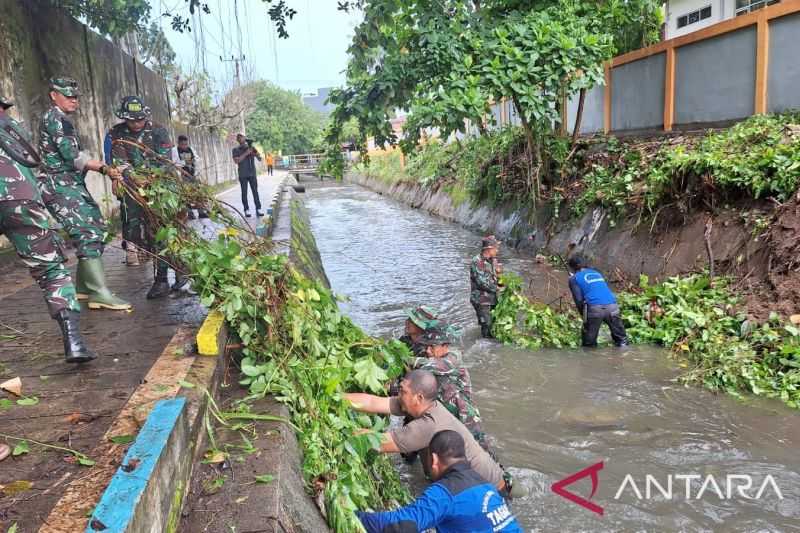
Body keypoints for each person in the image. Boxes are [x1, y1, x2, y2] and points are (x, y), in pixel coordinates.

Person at [0, 94, 95, 363]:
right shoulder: (15, 129)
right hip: (23, 200)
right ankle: (74, 343)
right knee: (51, 270)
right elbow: (36, 165)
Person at [37, 77, 131, 311]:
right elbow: (72, 155)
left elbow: (74, 153)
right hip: (58, 185)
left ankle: (84, 287)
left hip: (70, 183)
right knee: (87, 231)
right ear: (53, 95)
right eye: (67, 96)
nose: (73, 100)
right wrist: (104, 168)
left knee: (95, 224)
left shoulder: (60, 119)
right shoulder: (56, 119)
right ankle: (100, 293)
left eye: (75, 97)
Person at [344, 370, 512, 496]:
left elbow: (374, 442)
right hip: (476, 481)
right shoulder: (419, 405)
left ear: (419, 397)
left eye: (402, 391)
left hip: (491, 489)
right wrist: (338, 397)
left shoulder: (428, 425)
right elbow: (374, 402)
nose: (398, 394)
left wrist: (340, 427)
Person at [106, 96, 192, 299]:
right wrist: (131, 178)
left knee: (166, 232)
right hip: (135, 191)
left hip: (163, 189)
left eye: (139, 119)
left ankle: (171, 275)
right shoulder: (116, 133)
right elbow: (120, 163)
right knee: (138, 235)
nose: (136, 123)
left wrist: (151, 177)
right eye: (131, 120)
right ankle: (169, 274)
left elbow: (165, 162)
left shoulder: (158, 131)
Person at [356, 430, 521, 533]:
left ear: (433, 459)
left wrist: (356, 517)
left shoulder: (444, 493)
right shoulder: (487, 486)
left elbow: (401, 525)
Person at [412, 328, 489, 452]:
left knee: (481, 455)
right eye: (426, 347)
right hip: (448, 416)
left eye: (432, 347)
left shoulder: (452, 359)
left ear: (445, 346)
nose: (428, 351)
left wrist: (405, 360)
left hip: (465, 417)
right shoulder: (434, 359)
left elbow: (425, 366)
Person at [567, 255, 628, 347]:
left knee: (589, 345)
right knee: (622, 340)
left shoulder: (573, 279)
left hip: (594, 309)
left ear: (572, 267)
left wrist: (584, 317)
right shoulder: (597, 273)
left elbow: (579, 300)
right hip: (612, 306)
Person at [470, 235, 503, 338]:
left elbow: (498, 278)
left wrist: (503, 281)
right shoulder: (477, 261)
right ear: (489, 248)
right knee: (487, 325)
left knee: (496, 324)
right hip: (481, 299)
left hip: (493, 298)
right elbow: (482, 282)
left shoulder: (493, 261)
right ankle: (485, 345)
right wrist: (498, 288)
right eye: (496, 248)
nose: (497, 250)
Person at [176, 134, 208, 219]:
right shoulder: (175, 150)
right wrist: (185, 163)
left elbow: (197, 158)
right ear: (178, 143)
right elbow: (175, 163)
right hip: (183, 177)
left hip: (193, 175)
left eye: (186, 144)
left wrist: (194, 160)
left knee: (198, 194)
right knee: (186, 196)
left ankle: (201, 212)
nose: (185, 146)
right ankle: (190, 213)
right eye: (182, 144)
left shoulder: (191, 149)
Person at [232, 134, 262, 217]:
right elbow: (236, 161)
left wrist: (255, 153)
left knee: (255, 191)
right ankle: (246, 209)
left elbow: (260, 159)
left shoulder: (251, 148)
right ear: (238, 139)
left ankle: (258, 209)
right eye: (240, 137)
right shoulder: (235, 149)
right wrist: (246, 153)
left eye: (243, 137)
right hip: (243, 174)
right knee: (244, 192)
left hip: (252, 173)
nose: (242, 138)